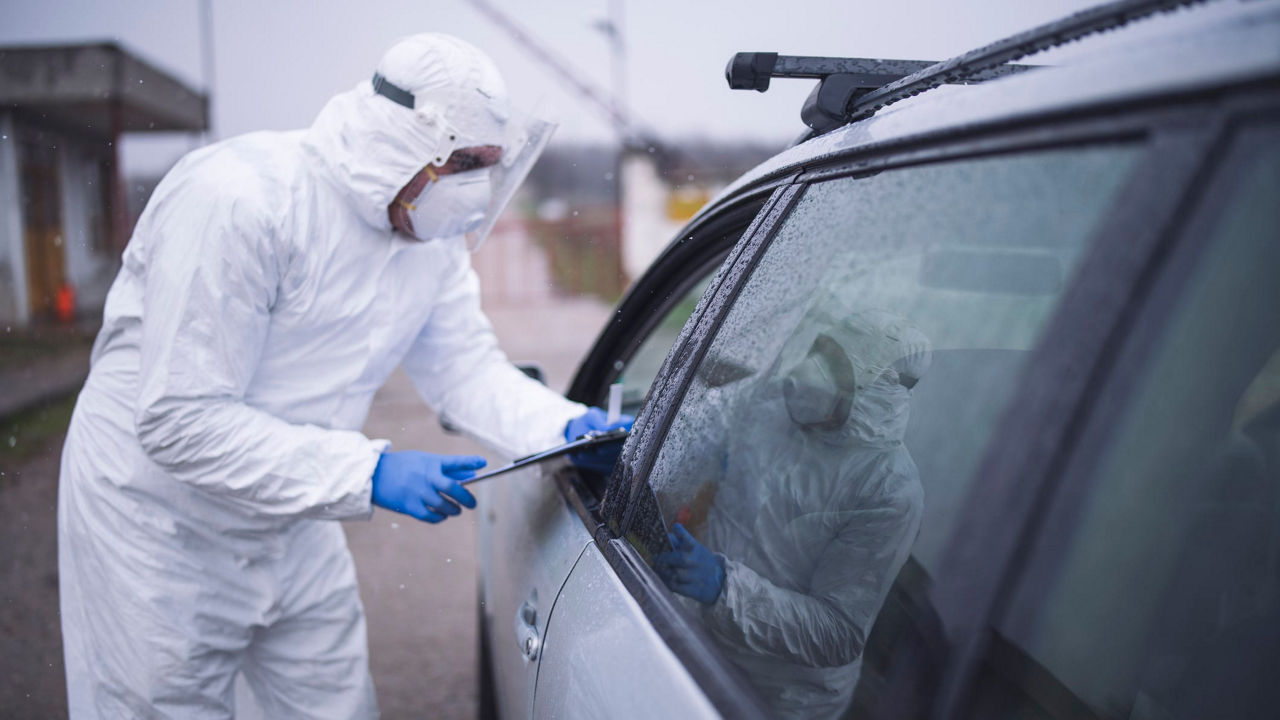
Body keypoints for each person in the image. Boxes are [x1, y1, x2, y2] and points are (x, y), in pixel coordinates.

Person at [57, 34, 627, 718]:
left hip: (295, 507)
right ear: (400, 144)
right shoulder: (240, 201)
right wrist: (368, 473)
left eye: (490, 165)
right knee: (164, 703)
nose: (477, 187)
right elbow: (180, 421)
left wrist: (561, 426)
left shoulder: (432, 240)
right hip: (157, 522)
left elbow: (465, 370)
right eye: (465, 163)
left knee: (334, 702)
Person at [654, 306, 930, 720]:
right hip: (699, 643)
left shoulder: (887, 490)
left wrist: (724, 588)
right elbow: (708, 440)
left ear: (871, 396)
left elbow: (836, 631)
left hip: (776, 699)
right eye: (822, 350)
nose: (810, 372)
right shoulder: (776, 405)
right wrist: (640, 453)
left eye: (837, 368)